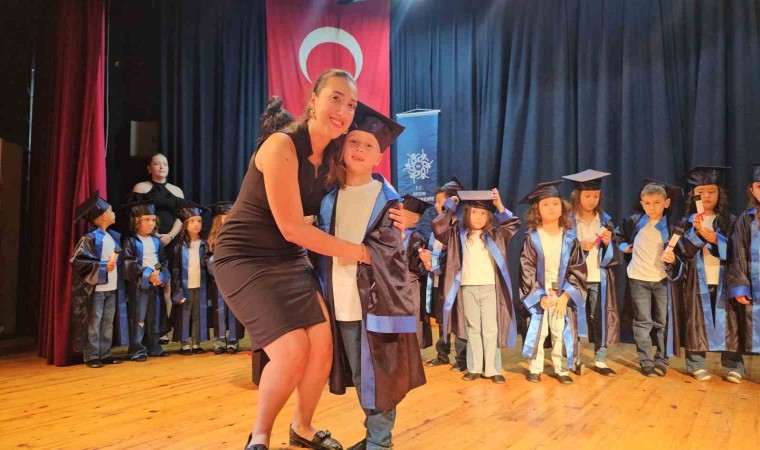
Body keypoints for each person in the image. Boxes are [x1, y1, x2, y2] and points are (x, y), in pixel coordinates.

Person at [213, 69, 404, 450]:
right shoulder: (282, 146)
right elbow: (291, 228)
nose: (343, 111)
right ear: (313, 100)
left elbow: (369, 183)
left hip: (288, 258)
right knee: (291, 352)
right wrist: (362, 253)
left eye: (351, 105)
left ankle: (301, 426)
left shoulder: (333, 154)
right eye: (336, 98)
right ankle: (260, 436)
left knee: (322, 346)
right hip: (244, 257)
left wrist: (403, 213)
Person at [318, 102, 425, 450]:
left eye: (369, 145)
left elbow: (390, 254)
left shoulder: (387, 201)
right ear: (342, 147)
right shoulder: (329, 199)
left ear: (379, 157)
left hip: (377, 303)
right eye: (354, 141)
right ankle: (373, 437)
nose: (360, 149)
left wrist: (352, 250)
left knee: (379, 376)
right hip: (341, 301)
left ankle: (380, 441)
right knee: (361, 375)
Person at [433, 189, 521, 384]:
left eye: (483, 213)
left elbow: (513, 224)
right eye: (474, 212)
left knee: (490, 328)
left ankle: (492, 369)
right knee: (472, 328)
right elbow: (438, 228)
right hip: (467, 287)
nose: (479, 217)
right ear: (467, 213)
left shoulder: (496, 234)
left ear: (489, 216)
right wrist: (451, 205)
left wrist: (499, 206)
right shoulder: (457, 234)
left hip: (490, 287)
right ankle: (474, 367)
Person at [519, 181, 587, 384]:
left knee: (560, 330)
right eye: (546, 204)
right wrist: (539, 296)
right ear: (537, 210)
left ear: (562, 208)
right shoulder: (532, 238)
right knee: (539, 331)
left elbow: (578, 268)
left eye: (555, 203)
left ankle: (562, 368)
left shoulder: (570, 239)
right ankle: (535, 367)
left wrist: (566, 296)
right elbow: (527, 269)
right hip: (540, 292)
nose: (551, 207)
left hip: (562, 292)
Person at [618, 179, 684, 377]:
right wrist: (624, 247)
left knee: (662, 321)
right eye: (647, 203)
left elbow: (681, 255)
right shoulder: (634, 222)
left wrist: (673, 260)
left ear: (666, 203)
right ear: (642, 203)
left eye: (657, 203)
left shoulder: (671, 229)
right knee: (642, 321)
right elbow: (618, 236)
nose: (652, 207)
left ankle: (662, 359)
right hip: (638, 279)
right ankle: (645, 360)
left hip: (661, 280)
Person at [562, 169, 621, 376]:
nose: (592, 200)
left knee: (599, 317)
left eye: (596, 196)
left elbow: (614, 254)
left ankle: (600, 359)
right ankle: (573, 358)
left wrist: (608, 243)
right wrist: (579, 246)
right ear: (577, 195)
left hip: (598, 276)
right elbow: (559, 248)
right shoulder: (568, 220)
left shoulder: (605, 220)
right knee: (573, 318)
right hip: (574, 278)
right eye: (587, 195)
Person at [130, 153, 185, 343]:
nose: (162, 167)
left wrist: (170, 236)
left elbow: (182, 217)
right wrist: (154, 235)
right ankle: (146, 330)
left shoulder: (176, 190)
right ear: (149, 167)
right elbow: (137, 214)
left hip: (170, 241)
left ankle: (163, 329)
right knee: (150, 282)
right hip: (148, 241)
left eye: (165, 164)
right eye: (157, 163)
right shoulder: (141, 187)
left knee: (167, 285)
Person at [70, 191, 126, 368]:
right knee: (94, 322)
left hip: (111, 287)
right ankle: (92, 355)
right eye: (111, 211)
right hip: (97, 289)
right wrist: (103, 267)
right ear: (103, 217)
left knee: (108, 322)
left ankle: (105, 352)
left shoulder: (113, 237)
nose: (114, 213)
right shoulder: (90, 238)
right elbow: (78, 261)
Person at [122, 201, 171, 361]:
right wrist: (148, 274)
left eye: (153, 220)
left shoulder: (156, 241)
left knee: (153, 316)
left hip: (155, 285)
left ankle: (153, 346)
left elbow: (163, 262)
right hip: (139, 286)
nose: (151, 223)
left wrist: (161, 277)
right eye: (147, 220)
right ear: (137, 221)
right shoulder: (131, 241)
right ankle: (137, 349)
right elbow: (129, 263)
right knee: (139, 316)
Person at [725, 163, 760, 383]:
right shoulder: (745, 219)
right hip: (753, 285)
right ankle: (736, 367)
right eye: (759, 186)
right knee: (741, 324)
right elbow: (737, 254)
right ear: (751, 190)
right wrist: (741, 286)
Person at [170, 202, 211, 355]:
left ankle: (196, 343)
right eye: (192, 221)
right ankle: (185, 344)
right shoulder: (179, 246)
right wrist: (177, 288)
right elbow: (175, 269)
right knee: (184, 315)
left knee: (198, 314)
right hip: (185, 286)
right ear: (185, 224)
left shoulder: (205, 244)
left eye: (199, 221)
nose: (196, 224)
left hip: (201, 286)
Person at [205, 201, 244, 354]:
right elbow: (206, 259)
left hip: (235, 279)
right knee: (219, 309)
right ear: (219, 218)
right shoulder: (213, 237)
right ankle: (219, 340)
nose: (228, 218)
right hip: (218, 279)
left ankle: (233, 340)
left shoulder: (240, 234)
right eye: (225, 216)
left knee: (234, 309)